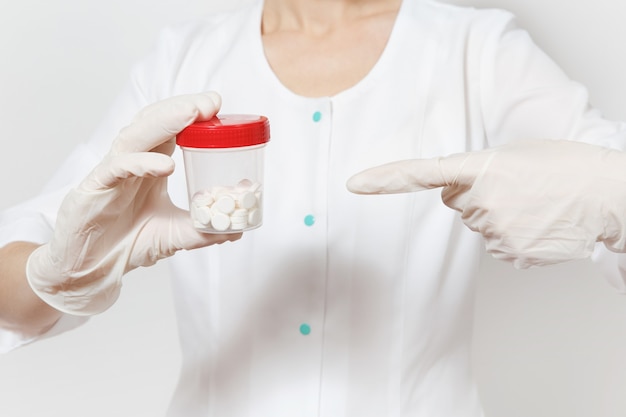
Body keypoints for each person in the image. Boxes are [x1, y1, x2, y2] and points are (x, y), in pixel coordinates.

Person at [1, 0, 626, 416]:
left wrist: (609, 197)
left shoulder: (476, 47)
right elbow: (20, 278)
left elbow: (608, 182)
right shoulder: (183, 57)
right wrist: (55, 272)